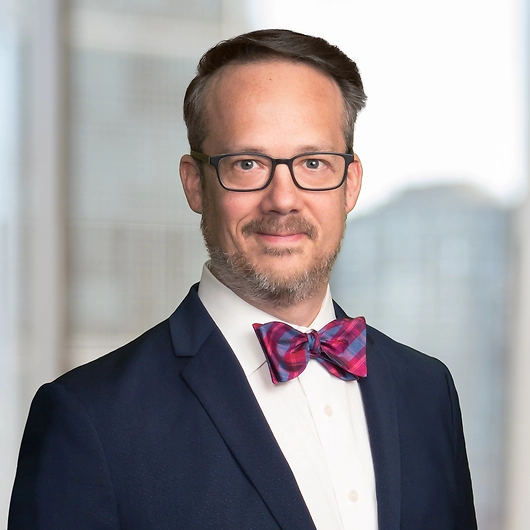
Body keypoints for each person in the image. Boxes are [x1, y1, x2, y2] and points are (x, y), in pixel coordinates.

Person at [9, 29, 476, 529]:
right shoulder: (90, 417)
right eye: (247, 164)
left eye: (313, 163)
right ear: (195, 184)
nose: (283, 200)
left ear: (350, 183)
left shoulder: (427, 391)